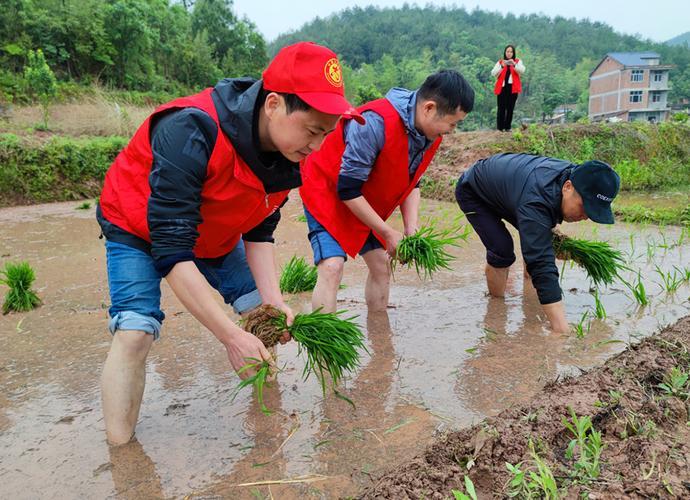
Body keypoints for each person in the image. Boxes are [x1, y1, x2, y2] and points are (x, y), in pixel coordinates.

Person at [96, 41, 363, 445]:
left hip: (212, 232)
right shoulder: (190, 128)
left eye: (326, 135)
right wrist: (230, 336)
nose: (316, 146)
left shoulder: (289, 155)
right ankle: (121, 454)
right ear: (273, 104)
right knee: (135, 331)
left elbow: (259, 230)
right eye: (311, 130)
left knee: (264, 317)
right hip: (136, 225)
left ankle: (269, 429)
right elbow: (171, 251)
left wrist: (273, 302)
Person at [299, 70, 474, 313]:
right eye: (452, 123)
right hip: (327, 190)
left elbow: (413, 182)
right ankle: (325, 349)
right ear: (429, 108)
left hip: (365, 197)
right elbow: (347, 189)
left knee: (381, 265)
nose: (452, 130)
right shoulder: (373, 123)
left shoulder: (429, 133)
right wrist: (387, 232)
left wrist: (410, 228)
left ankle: (381, 342)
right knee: (332, 267)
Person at [454, 153, 620, 333]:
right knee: (502, 249)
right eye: (584, 207)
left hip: (514, 190)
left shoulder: (577, 177)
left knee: (537, 238)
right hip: (474, 189)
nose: (586, 216)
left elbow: (539, 232)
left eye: (593, 212)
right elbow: (541, 262)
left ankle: (529, 299)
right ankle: (496, 307)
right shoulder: (537, 199)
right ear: (567, 187)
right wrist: (560, 329)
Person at [491, 45, 525, 131]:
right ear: (505, 53)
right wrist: (502, 66)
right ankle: (500, 128)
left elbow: (522, 70)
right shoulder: (500, 62)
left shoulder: (517, 61)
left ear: (513, 53)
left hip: (512, 88)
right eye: (507, 51)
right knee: (501, 108)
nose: (509, 53)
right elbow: (493, 73)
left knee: (510, 108)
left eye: (511, 52)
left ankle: (507, 127)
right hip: (502, 88)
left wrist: (514, 64)